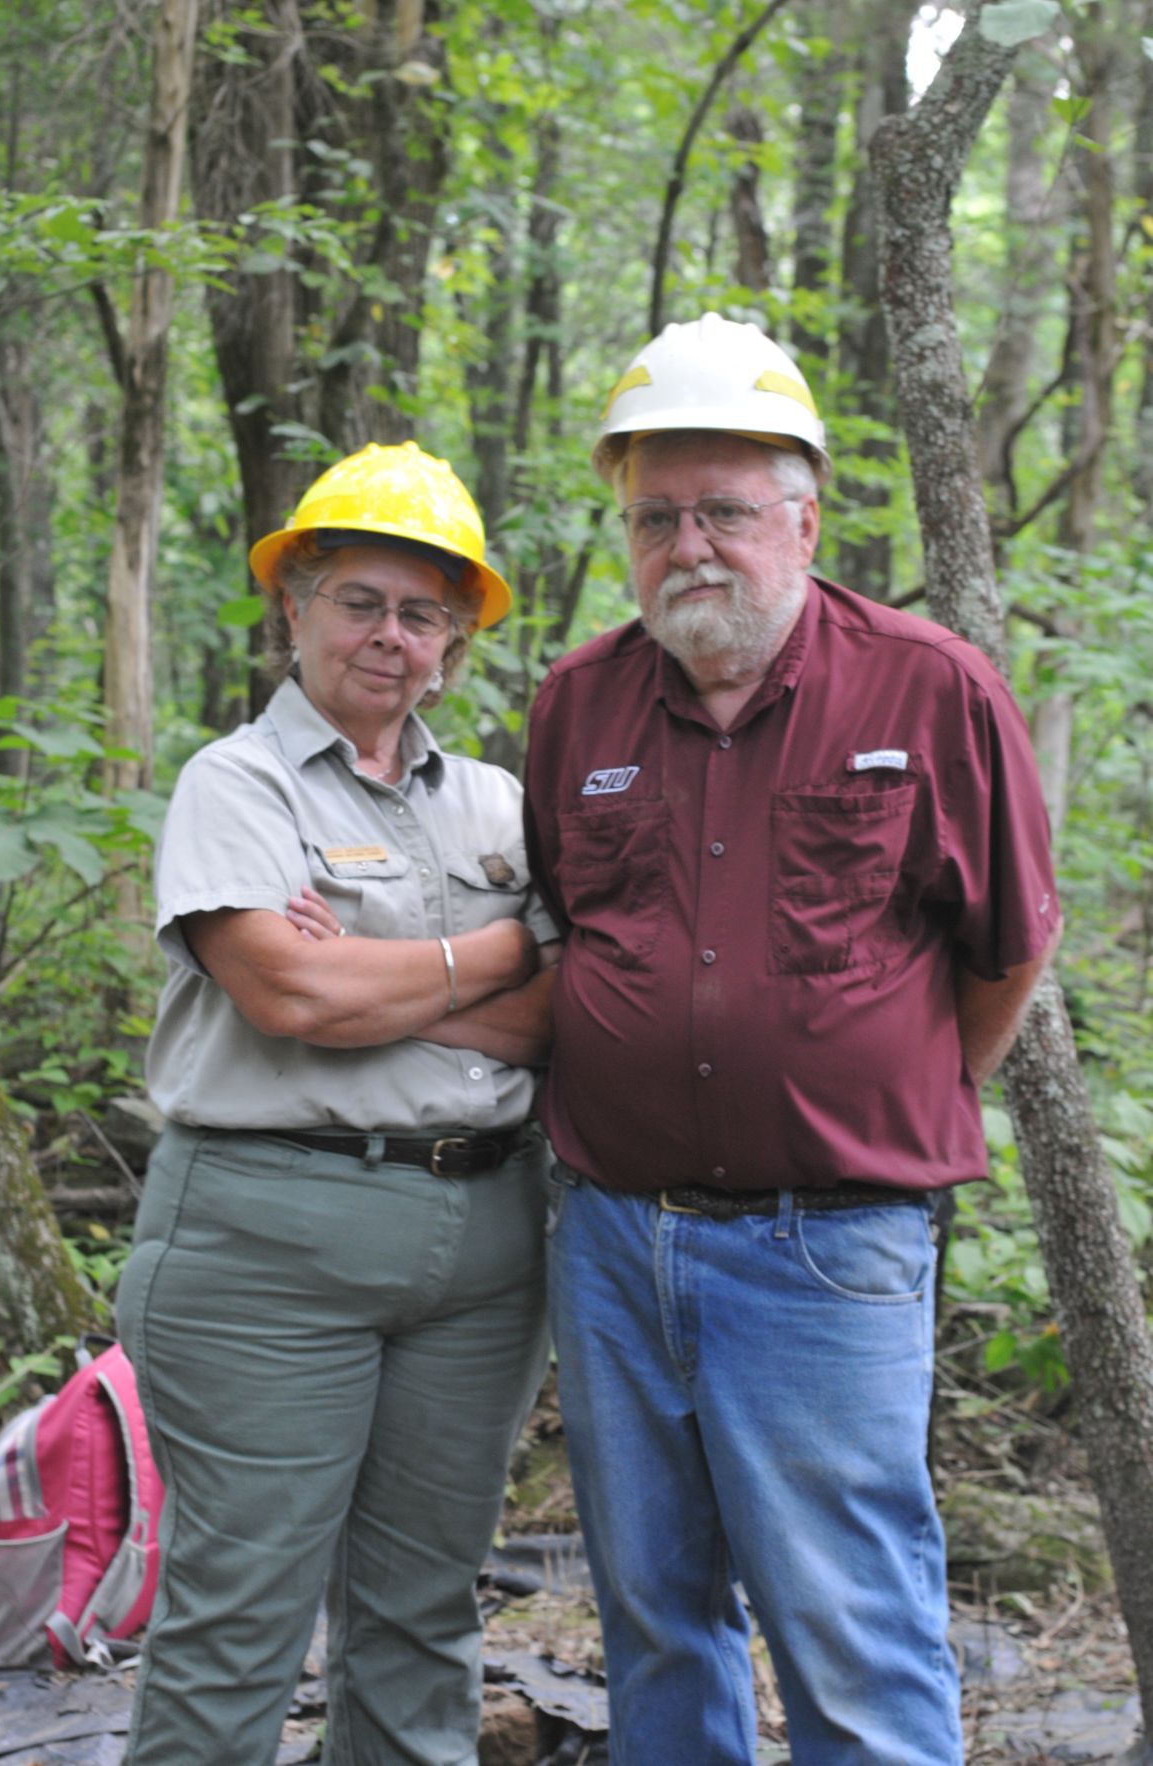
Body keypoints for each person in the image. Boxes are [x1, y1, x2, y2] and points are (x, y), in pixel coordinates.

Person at [522, 313, 1062, 1766]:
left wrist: (868, 1098)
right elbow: (572, 932)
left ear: (803, 518)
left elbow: (1005, 945)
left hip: (827, 1248)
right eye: (654, 515)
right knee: (652, 1615)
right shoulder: (577, 702)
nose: (687, 544)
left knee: (850, 1627)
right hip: (615, 1243)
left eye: (725, 510)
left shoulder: (926, 686)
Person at [116, 439, 560, 1766]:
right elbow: (287, 1000)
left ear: (455, 640)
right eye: (361, 599)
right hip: (266, 1247)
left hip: (481, 1244)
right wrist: (495, 954)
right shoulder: (234, 785)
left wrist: (365, 975)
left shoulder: (499, 801)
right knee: (235, 1621)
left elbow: (567, 1014)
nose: (392, 635)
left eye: (424, 612)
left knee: (423, 1614)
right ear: (294, 602)